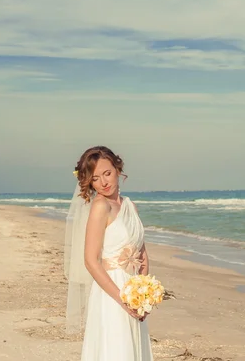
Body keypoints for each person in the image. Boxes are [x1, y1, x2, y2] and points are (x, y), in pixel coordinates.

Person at [64, 145, 154, 361]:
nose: (104, 182)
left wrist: (144, 295)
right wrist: (122, 299)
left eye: (107, 173)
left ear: (117, 169)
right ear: (89, 182)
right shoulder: (100, 207)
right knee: (116, 349)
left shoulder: (130, 206)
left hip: (133, 289)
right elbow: (90, 261)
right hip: (111, 291)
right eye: (96, 178)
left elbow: (141, 253)